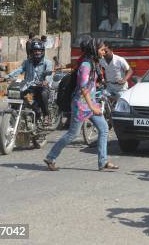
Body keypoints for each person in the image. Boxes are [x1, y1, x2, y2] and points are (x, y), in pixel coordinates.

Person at [44, 38, 118, 171]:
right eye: (101, 49)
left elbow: (91, 85)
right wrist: (92, 107)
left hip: (90, 103)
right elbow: (83, 88)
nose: (104, 52)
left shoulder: (94, 63)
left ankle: (103, 161)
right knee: (72, 134)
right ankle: (51, 157)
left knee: (104, 128)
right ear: (94, 50)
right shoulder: (85, 65)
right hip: (81, 105)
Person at [8, 40, 53, 123]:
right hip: (30, 86)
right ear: (31, 52)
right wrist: (8, 76)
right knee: (25, 95)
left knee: (43, 94)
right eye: (35, 50)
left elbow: (49, 74)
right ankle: (36, 111)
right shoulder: (27, 62)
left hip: (42, 87)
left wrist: (46, 81)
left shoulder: (47, 62)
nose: (37, 52)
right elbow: (20, 69)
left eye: (39, 50)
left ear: (42, 51)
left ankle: (46, 115)